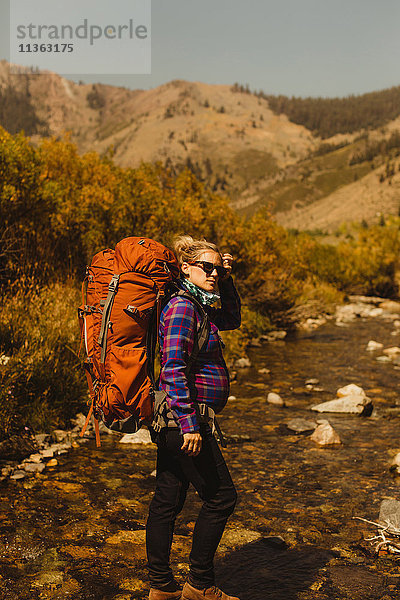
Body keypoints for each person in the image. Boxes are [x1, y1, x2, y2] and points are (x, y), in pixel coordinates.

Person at [146, 235, 242, 600]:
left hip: (176, 421)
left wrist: (228, 280)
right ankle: (199, 585)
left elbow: (232, 319)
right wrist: (189, 424)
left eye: (218, 268)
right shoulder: (183, 308)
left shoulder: (202, 305)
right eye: (207, 267)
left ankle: (161, 588)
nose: (214, 273)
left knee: (168, 499)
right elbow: (172, 367)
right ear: (185, 268)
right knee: (222, 498)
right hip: (183, 421)